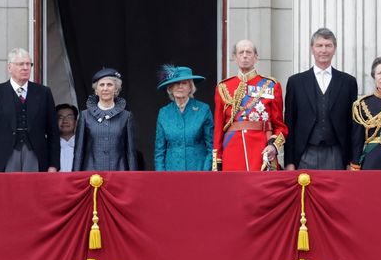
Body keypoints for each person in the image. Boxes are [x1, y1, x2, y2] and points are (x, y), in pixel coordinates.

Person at [284, 28, 358, 171]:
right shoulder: (296, 82)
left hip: (336, 153)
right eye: (319, 45)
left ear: (334, 49)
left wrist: (351, 160)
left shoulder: (348, 82)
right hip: (305, 153)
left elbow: (353, 125)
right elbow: (289, 123)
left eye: (328, 45)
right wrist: (289, 161)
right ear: (312, 49)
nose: (324, 50)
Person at [0, 47, 59, 172]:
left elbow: (53, 132)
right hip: (4, 156)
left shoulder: (44, 93)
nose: (26, 68)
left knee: (34, 191)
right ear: (9, 67)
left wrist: (53, 165)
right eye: (21, 64)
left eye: (28, 64)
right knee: (6, 191)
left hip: (36, 155)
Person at [213, 40, 287, 171]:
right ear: (234, 58)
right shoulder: (223, 87)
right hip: (232, 152)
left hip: (260, 151)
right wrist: (217, 161)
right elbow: (219, 128)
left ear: (256, 57)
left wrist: (273, 146)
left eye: (249, 52)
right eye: (241, 52)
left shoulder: (271, 85)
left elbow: (280, 127)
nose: (245, 55)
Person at [74, 68, 137, 171]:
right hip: (91, 174)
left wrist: (133, 179)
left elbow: (131, 153)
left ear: (116, 89)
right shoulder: (85, 116)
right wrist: (75, 178)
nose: (105, 88)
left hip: (119, 173)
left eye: (109, 85)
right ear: (96, 90)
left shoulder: (126, 116)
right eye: (101, 85)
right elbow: (79, 151)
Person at [153, 65, 214, 172]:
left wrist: (205, 172)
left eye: (184, 83)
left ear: (191, 87)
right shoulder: (164, 113)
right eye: (176, 83)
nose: (180, 86)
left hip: (198, 169)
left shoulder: (203, 109)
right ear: (170, 88)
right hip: (172, 171)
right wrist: (161, 175)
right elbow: (159, 150)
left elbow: (211, 146)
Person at [56, 103, 78, 172]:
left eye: (69, 117)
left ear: (76, 122)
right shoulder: (47, 146)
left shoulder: (84, 144)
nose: (65, 121)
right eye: (60, 117)